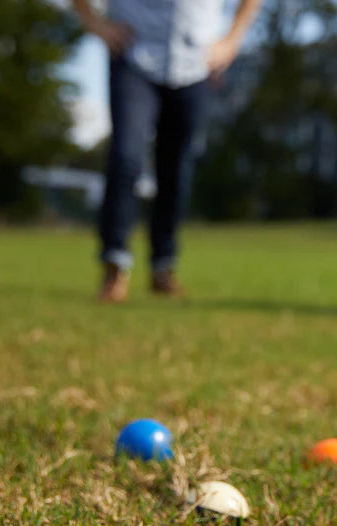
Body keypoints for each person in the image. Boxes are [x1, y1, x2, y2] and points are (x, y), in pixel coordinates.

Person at [72, 0, 263, 302]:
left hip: (195, 63)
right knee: (126, 157)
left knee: (177, 169)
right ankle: (114, 265)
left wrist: (231, 41)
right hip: (134, 54)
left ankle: (163, 266)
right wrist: (96, 25)